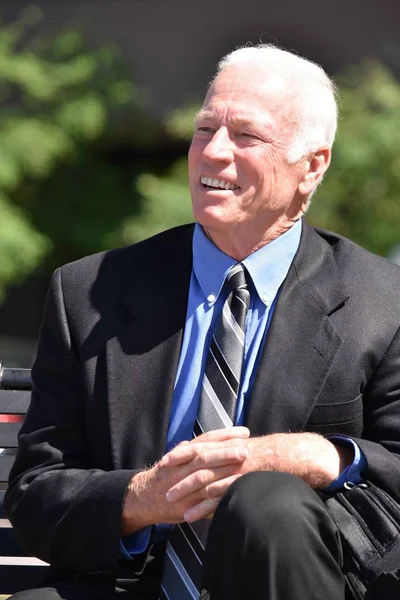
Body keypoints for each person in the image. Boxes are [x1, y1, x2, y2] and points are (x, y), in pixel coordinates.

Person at [4, 44, 400, 600]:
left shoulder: (384, 302)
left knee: (269, 500)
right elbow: (35, 493)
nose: (213, 153)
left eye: (246, 135)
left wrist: (323, 456)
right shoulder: (89, 293)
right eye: (204, 128)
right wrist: (142, 498)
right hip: (129, 585)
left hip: (291, 583)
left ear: (312, 165)